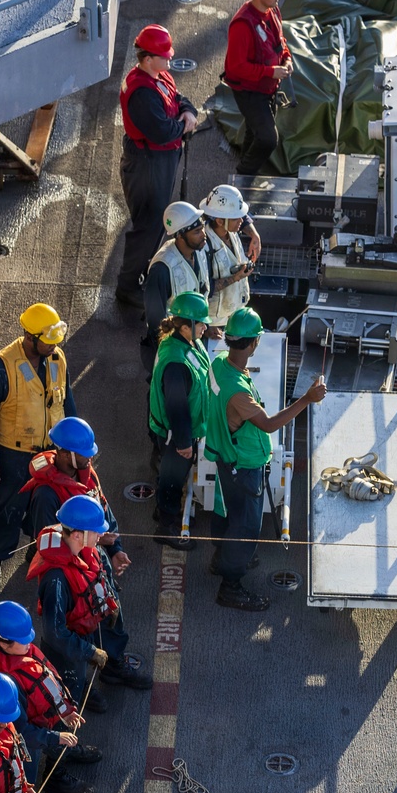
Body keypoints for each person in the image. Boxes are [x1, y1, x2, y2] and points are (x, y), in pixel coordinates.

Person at [205, 305, 325, 611]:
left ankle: (222, 558)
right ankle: (230, 586)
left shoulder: (219, 363)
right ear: (253, 343)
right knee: (245, 529)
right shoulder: (239, 394)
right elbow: (270, 424)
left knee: (230, 514)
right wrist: (307, 400)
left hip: (226, 457)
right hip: (243, 466)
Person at [0, 303, 77, 609]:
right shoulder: (0, 368)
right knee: (7, 511)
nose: (55, 345)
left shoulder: (57, 358)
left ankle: (39, 553)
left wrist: (74, 445)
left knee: (47, 509)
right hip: (14, 456)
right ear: (30, 338)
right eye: (49, 339)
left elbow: (66, 401)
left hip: (51, 454)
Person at [27, 496, 153, 709]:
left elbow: (98, 578)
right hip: (65, 648)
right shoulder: (56, 580)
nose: (101, 535)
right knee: (66, 699)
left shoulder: (86, 550)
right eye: (96, 531)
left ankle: (84, 684)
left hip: (84, 630)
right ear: (77, 534)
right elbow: (54, 632)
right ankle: (66, 736)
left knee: (77, 680)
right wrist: (89, 651)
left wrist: (109, 604)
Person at [0, 599, 103, 793]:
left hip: (42, 719)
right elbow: (21, 732)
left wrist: (65, 710)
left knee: (63, 735)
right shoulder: (5, 685)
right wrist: (55, 738)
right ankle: (55, 780)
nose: (29, 642)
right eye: (23, 639)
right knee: (27, 774)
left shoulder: (19, 650)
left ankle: (64, 752)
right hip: (27, 737)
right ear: (5, 643)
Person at [116, 24, 198, 308]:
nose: (169, 61)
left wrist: (187, 112)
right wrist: (184, 125)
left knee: (154, 222)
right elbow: (161, 131)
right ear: (147, 58)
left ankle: (139, 274)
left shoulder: (156, 76)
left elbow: (178, 98)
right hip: (147, 164)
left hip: (156, 161)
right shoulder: (142, 93)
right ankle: (127, 286)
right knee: (149, 225)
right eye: (164, 56)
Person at [20, 417, 131, 577]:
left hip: (93, 558)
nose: (90, 457)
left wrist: (115, 550)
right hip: (72, 570)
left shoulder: (86, 471)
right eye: (84, 454)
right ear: (65, 454)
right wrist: (97, 540)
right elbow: (50, 543)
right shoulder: (45, 496)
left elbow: (103, 509)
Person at [148, 291, 211, 547]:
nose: (206, 326)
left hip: (181, 431)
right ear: (186, 327)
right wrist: (184, 443)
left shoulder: (185, 343)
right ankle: (166, 528)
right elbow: (177, 408)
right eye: (202, 323)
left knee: (169, 475)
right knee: (173, 479)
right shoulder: (176, 362)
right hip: (177, 434)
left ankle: (163, 511)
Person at [223, 0, 293, 177]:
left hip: (267, 88)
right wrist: (270, 72)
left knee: (255, 132)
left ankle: (242, 176)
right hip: (250, 91)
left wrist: (287, 59)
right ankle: (244, 173)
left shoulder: (272, 10)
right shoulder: (243, 24)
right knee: (268, 138)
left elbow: (280, 42)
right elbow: (235, 67)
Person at [143, 201, 212, 354]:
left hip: (193, 335)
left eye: (202, 229)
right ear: (180, 236)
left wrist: (205, 328)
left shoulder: (199, 249)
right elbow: (156, 320)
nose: (203, 235)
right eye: (197, 232)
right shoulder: (162, 269)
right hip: (174, 345)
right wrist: (166, 354)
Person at [198, 184, 263, 326]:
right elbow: (204, 288)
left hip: (235, 312)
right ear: (220, 221)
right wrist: (236, 277)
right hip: (215, 322)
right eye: (236, 218)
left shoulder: (229, 227)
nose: (242, 220)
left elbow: (243, 218)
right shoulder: (204, 247)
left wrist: (254, 236)